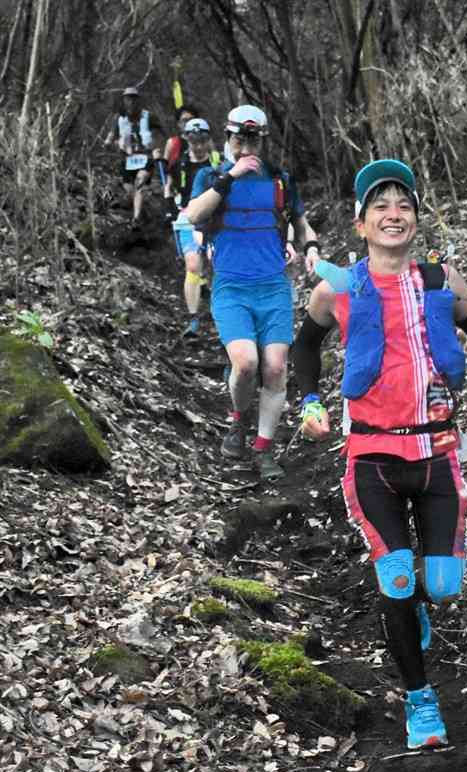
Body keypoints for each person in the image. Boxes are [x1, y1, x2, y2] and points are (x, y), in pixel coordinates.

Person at [292, 159, 467, 749]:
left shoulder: (441, 280)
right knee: (398, 577)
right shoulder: (338, 288)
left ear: (415, 218)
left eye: (402, 205)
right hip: (372, 458)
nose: (393, 215)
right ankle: (420, 701)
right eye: (379, 206)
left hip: (436, 452)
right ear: (360, 223)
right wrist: (309, 401)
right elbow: (306, 345)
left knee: (443, 584)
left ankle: (420, 608)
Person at [186, 104, 320, 479]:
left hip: (273, 287)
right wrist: (230, 176)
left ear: (263, 140)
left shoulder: (279, 179)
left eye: (253, 139)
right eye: (239, 138)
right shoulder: (210, 176)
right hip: (231, 287)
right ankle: (238, 419)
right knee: (245, 363)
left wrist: (309, 247)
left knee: (276, 368)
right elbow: (194, 215)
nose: (246, 146)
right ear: (228, 140)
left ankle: (263, 451)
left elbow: (299, 221)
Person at [164, 117, 221, 337]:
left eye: (202, 140)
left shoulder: (217, 162)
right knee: (193, 265)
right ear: (187, 139)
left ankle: (222, 311)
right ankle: (193, 317)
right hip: (187, 218)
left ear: (208, 140)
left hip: (215, 220)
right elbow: (169, 185)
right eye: (193, 140)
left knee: (216, 264)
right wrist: (169, 206)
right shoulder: (181, 164)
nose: (197, 145)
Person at [105, 86, 164, 229]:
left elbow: (160, 133)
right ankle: (143, 211)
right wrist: (109, 141)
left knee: (140, 181)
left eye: (133, 99)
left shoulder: (148, 116)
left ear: (138, 100)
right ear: (124, 101)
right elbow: (112, 134)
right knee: (129, 188)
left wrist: (157, 147)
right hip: (127, 158)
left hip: (145, 156)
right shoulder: (119, 118)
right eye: (128, 99)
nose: (131, 102)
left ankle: (136, 219)